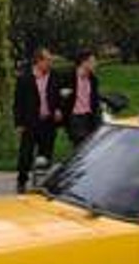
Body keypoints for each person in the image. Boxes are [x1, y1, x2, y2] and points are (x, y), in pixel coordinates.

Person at [12, 48, 62, 191]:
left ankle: (43, 183)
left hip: (48, 121)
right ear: (39, 61)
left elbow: (57, 96)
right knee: (26, 154)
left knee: (46, 154)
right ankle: (22, 180)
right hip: (30, 122)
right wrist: (19, 123)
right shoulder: (25, 79)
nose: (50, 63)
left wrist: (58, 108)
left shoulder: (54, 76)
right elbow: (18, 104)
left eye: (51, 60)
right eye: (48, 60)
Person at [65, 50, 101, 147]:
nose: (96, 64)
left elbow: (94, 98)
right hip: (76, 117)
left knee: (92, 145)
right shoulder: (68, 76)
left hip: (90, 116)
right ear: (84, 62)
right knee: (80, 146)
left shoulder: (93, 79)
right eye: (93, 61)